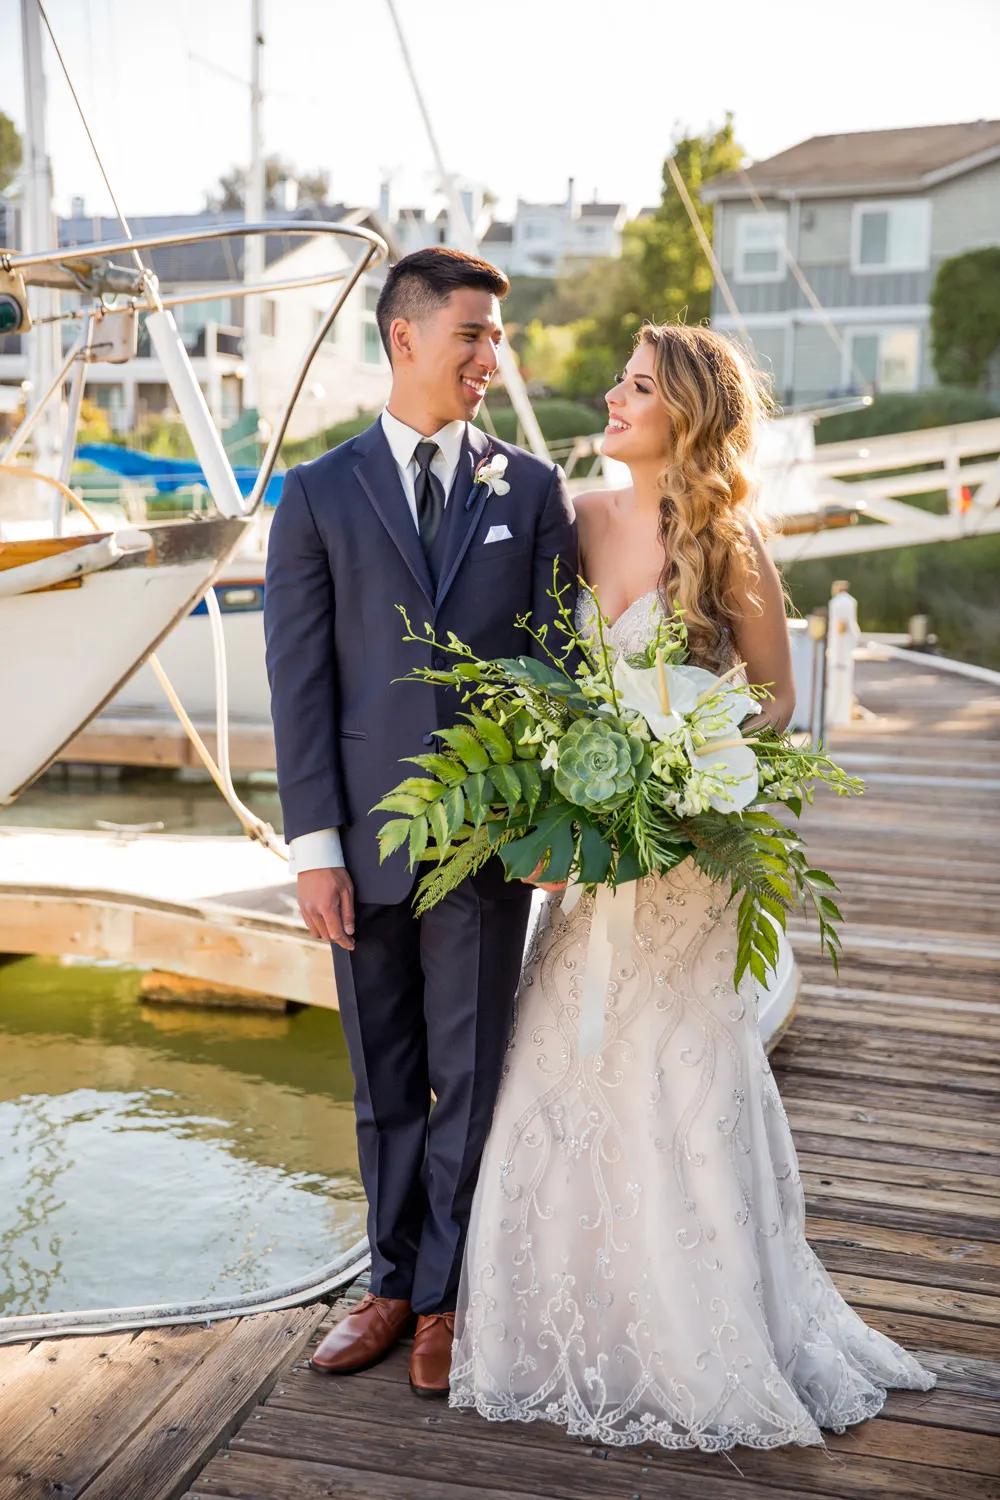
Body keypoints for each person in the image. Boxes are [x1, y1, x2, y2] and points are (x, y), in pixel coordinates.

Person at [450, 323, 934, 1448]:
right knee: (560, 1067)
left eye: (636, 386)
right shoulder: (575, 520)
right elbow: (547, 680)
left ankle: (702, 1333)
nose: (611, 398)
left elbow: (775, 703)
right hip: (591, 862)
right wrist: (563, 789)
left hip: (684, 864)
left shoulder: (730, 542)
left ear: (685, 417)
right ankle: (553, 1329)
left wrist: (686, 770)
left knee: (675, 1069)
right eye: (619, 380)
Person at [264, 247, 578, 1396]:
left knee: (471, 1074)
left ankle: (445, 1297)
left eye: (497, 337)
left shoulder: (533, 492)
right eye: (473, 336)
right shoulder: (314, 494)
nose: (491, 358)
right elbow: (300, 684)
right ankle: (387, 1281)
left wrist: (549, 817)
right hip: (361, 842)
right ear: (405, 338)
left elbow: (559, 671)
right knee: (383, 1077)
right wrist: (313, 850)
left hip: (489, 845)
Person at [827, 579, 860, 726]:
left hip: (838, 650)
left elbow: (841, 626)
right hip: (844, 651)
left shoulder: (836, 603)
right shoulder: (849, 602)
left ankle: (837, 714)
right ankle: (841, 714)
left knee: (837, 682)